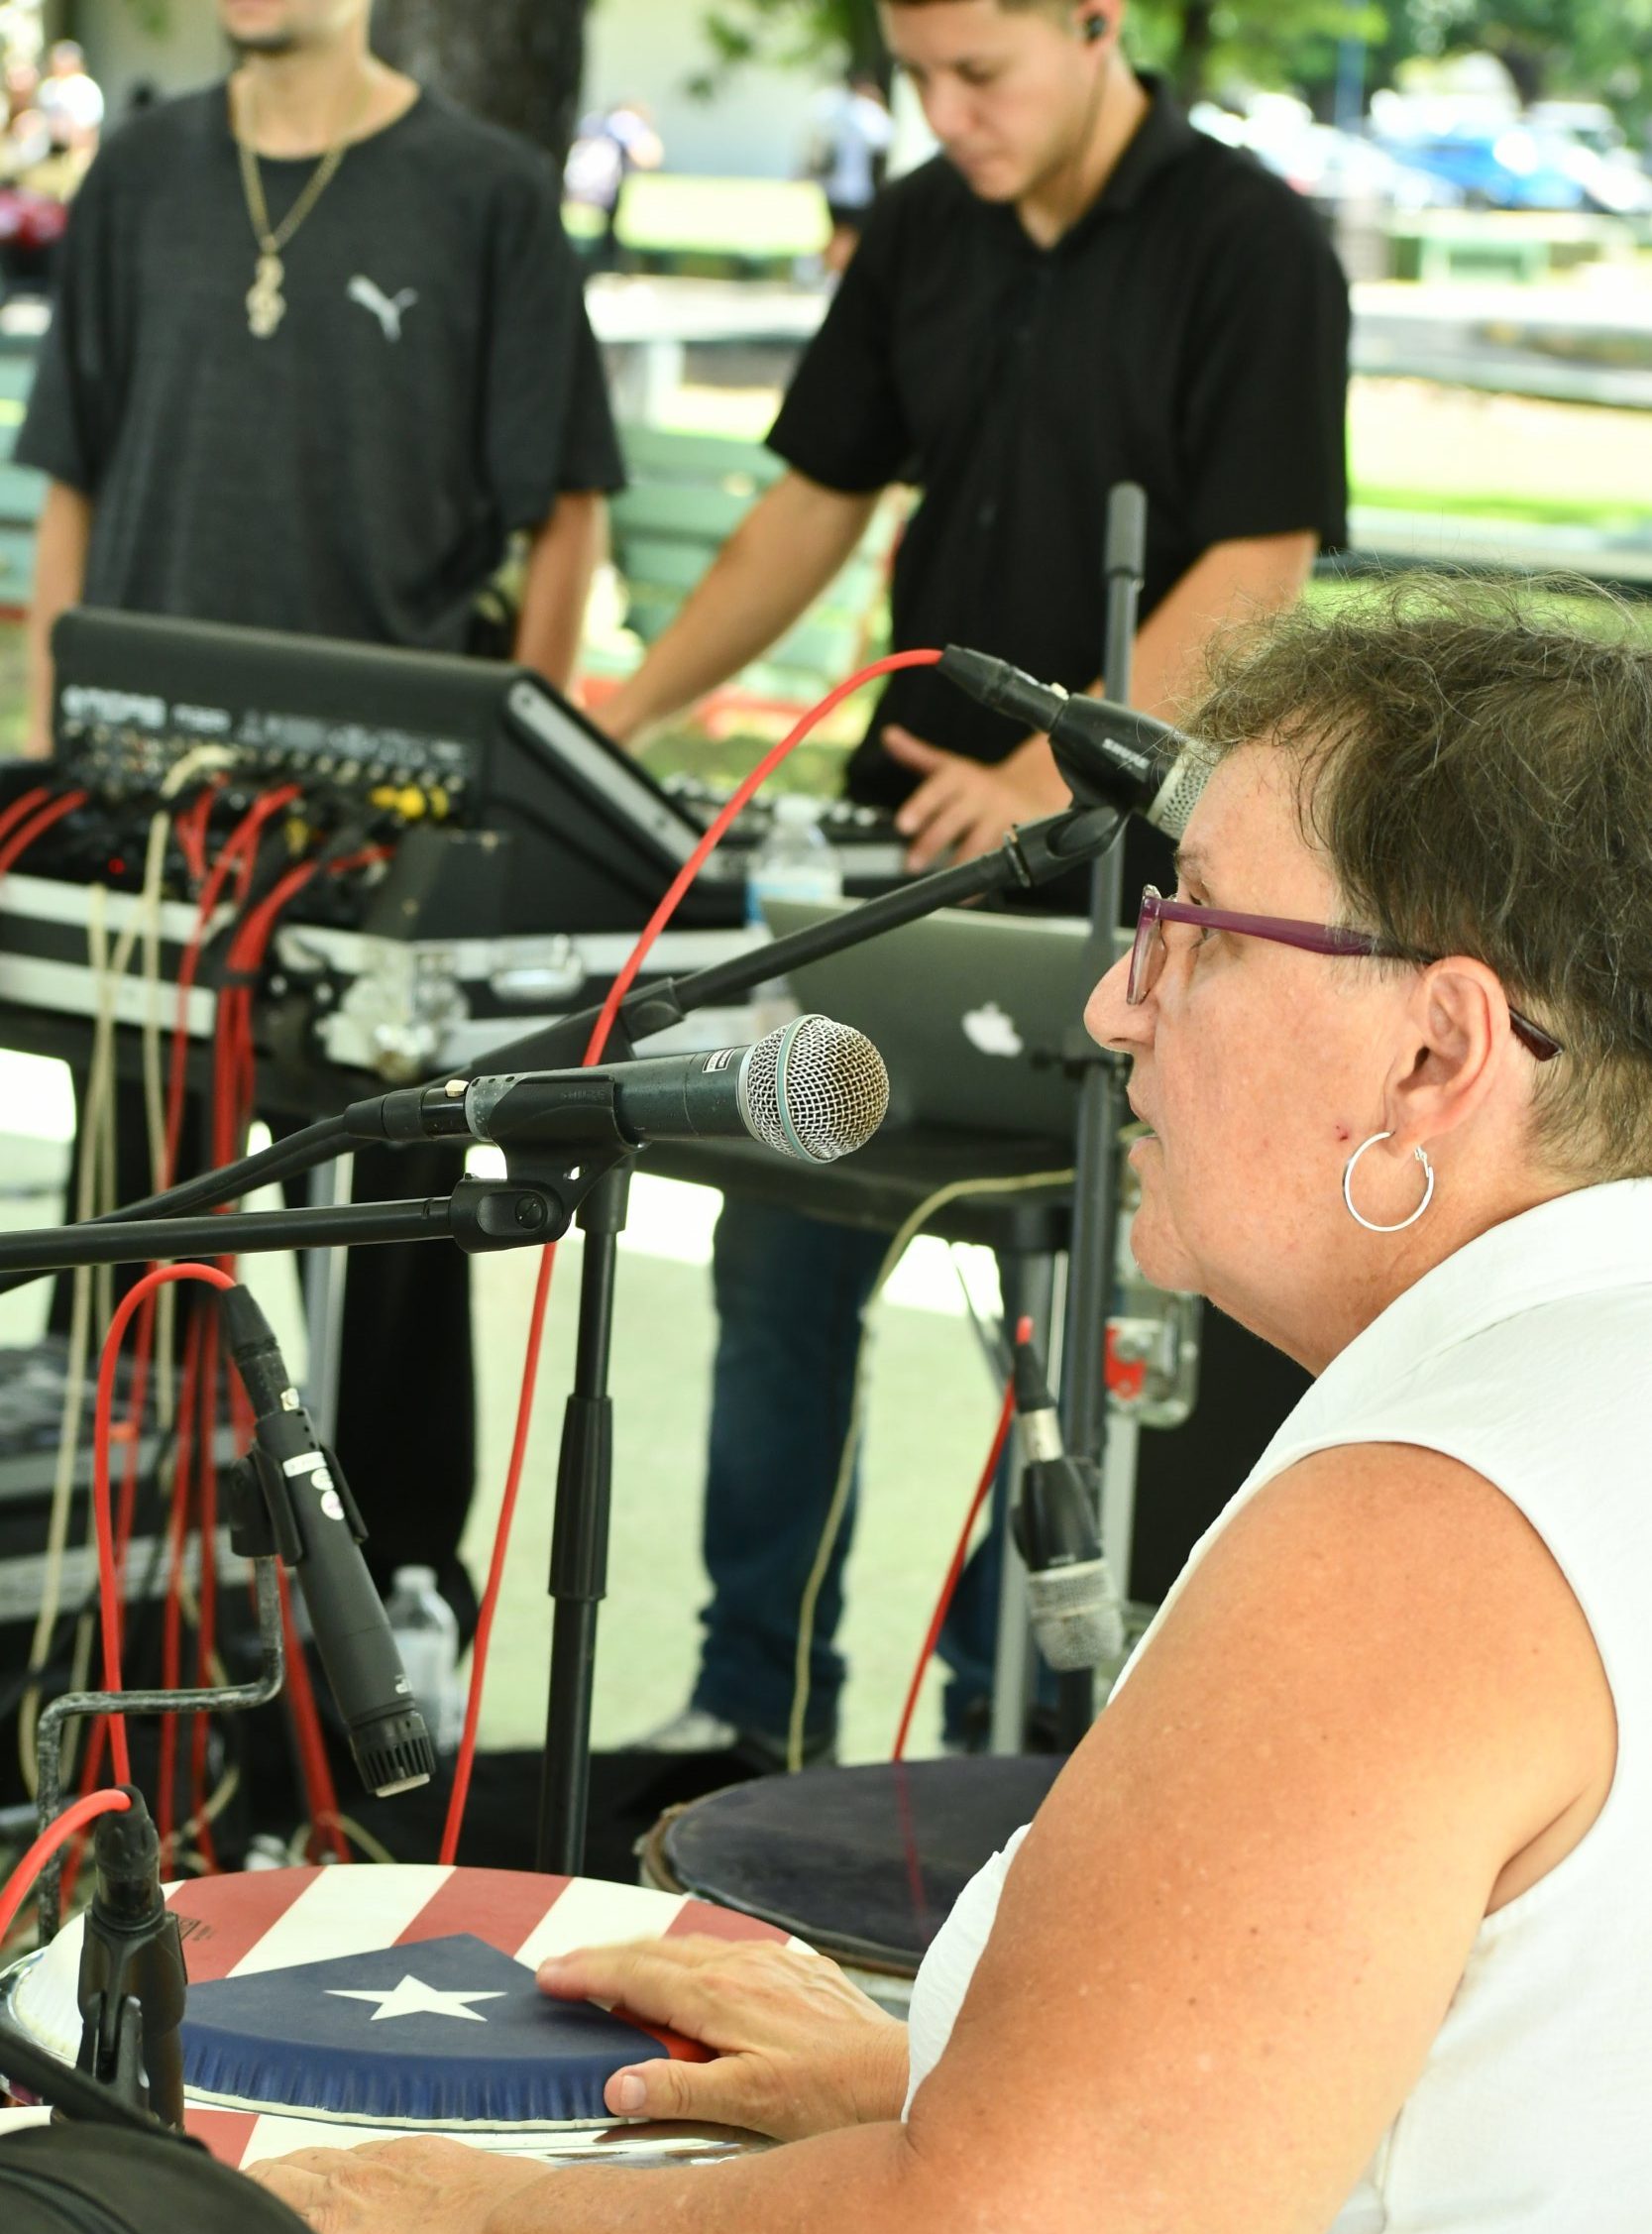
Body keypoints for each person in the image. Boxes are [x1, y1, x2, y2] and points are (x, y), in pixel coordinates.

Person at [259, 582, 1652, 2234]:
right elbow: (1490, 2137)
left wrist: (448, 2219)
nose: (1111, 1003)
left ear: (1433, 1053)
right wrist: (935, 2087)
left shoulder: (1430, 1524)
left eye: (1192, 927)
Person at [596, 0, 1349, 1764]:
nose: (942, 114)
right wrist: (623, 710)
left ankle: (997, 1748)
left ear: (1098, 23)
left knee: (1064, 1324)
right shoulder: (925, 227)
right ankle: (746, 1708)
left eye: (979, 75)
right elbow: (811, 503)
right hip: (904, 852)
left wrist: (1045, 768)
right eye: (913, 76)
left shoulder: (1248, 245)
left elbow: (1258, 565)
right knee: (781, 1256)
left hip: (1122, 885)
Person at [12, 0, 624, 1630]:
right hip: (157, 827)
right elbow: (69, 480)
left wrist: (511, 785)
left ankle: (402, 1595)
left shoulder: (484, 194)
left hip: (384, 840)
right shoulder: (138, 176)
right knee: (137, 1238)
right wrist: (63, 743)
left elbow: (566, 512)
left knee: (394, 1234)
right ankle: (132, 1609)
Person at [804, 68, 895, 275]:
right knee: (850, 234)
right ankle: (836, 272)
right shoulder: (865, 111)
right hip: (855, 187)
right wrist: (877, 104)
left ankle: (821, 268)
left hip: (832, 185)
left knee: (838, 231)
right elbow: (884, 136)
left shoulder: (830, 107)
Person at [563, 98, 663, 274]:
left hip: (572, 181)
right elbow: (649, 156)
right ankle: (608, 260)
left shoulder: (595, 121)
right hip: (600, 186)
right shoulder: (625, 123)